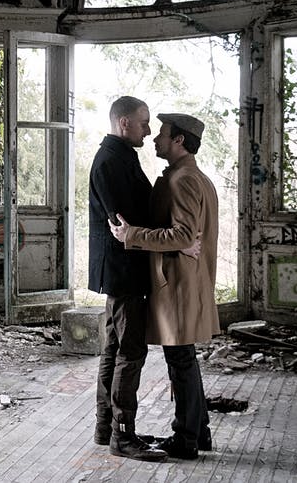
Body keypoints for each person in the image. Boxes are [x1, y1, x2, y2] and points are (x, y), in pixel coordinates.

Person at [110, 112, 220, 460]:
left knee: (180, 360)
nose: (155, 139)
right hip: (184, 281)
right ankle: (197, 433)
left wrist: (132, 235)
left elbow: (184, 235)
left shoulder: (184, 179)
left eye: (162, 134)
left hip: (178, 284)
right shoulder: (189, 175)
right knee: (184, 358)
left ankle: (185, 439)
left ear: (180, 141)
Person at [86, 96, 166, 462]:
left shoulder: (119, 156)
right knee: (129, 353)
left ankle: (107, 429)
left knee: (114, 349)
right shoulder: (111, 160)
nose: (149, 130)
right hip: (124, 270)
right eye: (144, 122)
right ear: (124, 124)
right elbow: (124, 223)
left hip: (122, 270)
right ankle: (123, 435)